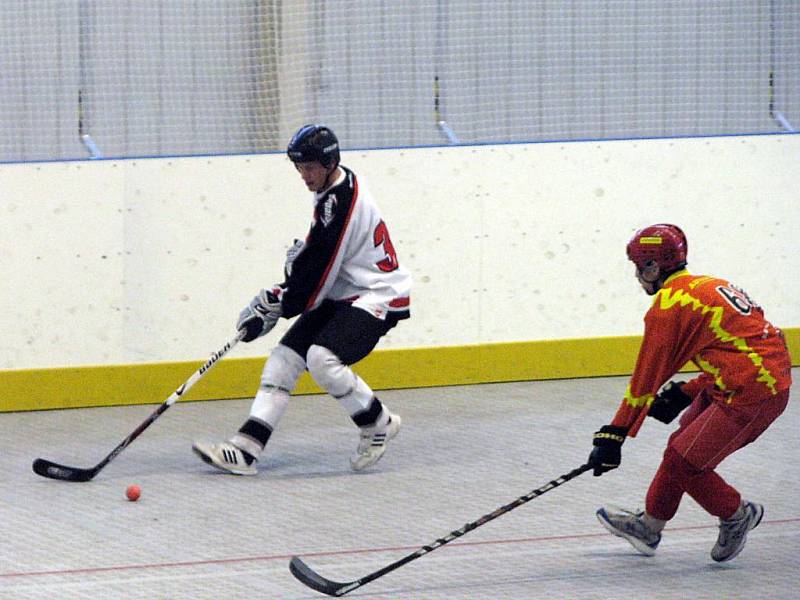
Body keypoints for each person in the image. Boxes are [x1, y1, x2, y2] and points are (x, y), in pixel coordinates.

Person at [193, 124, 411, 475]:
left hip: (378, 294)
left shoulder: (341, 204)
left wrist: (280, 301)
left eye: (310, 167)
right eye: (299, 168)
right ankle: (246, 450)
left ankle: (378, 423)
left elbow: (319, 275)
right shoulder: (334, 188)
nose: (304, 176)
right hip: (346, 292)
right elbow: (319, 258)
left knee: (322, 358)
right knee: (283, 359)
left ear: (329, 163)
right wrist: (284, 291)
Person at [587, 223, 792, 562]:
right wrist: (689, 389)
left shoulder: (669, 306)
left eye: (639, 267)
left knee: (684, 462)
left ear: (653, 267)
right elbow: (744, 344)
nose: (637, 276)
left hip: (751, 394)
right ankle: (649, 528)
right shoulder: (709, 285)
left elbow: (644, 380)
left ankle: (737, 515)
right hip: (744, 381)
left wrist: (614, 433)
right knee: (678, 452)